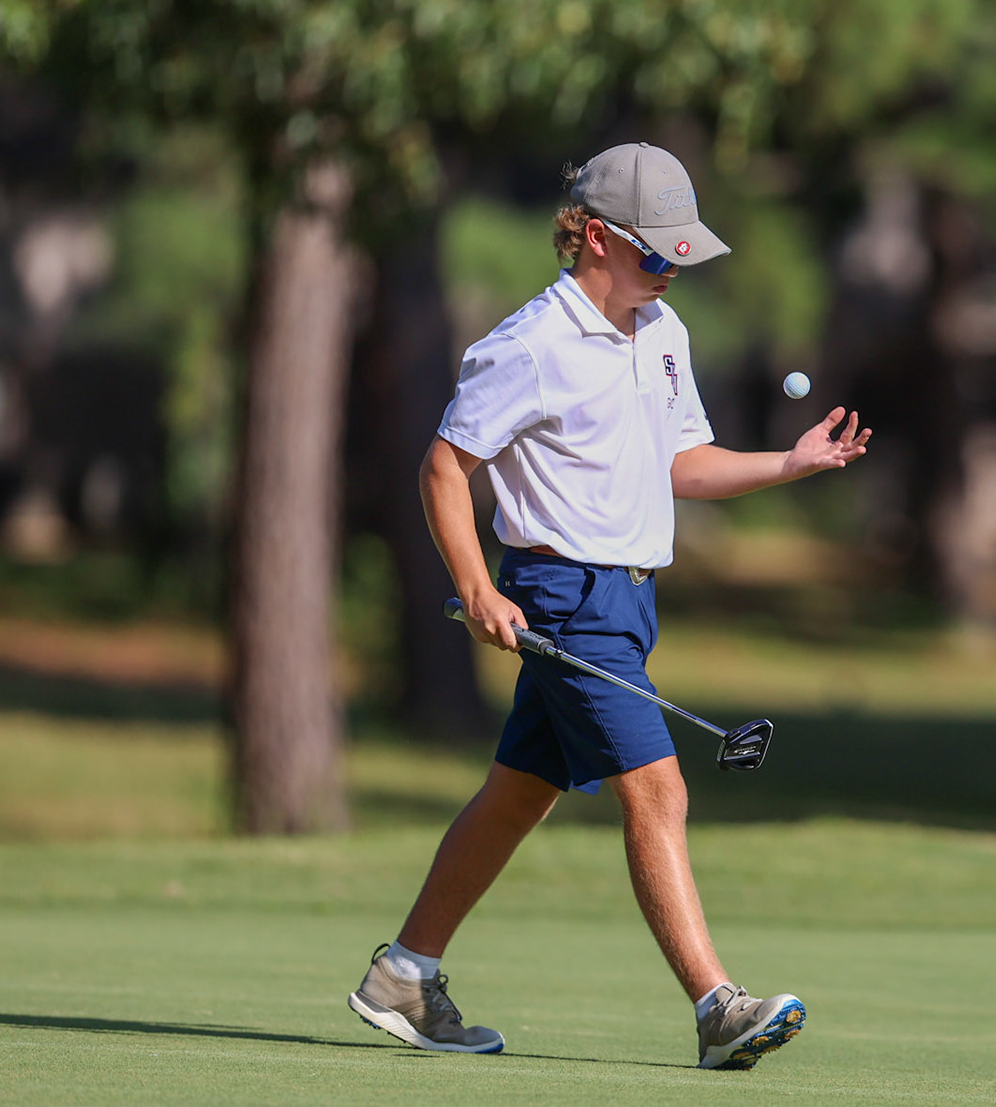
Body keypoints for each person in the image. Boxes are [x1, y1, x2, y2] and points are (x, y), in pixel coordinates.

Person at [347, 142, 871, 1070]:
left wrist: (789, 464)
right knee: (657, 789)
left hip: (630, 597)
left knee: (517, 796)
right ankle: (717, 1008)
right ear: (595, 236)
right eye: (655, 253)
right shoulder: (530, 345)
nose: (671, 271)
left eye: (679, 256)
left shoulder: (662, 333)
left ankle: (404, 974)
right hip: (562, 596)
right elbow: (444, 467)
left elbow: (679, 466)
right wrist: (476, 586)